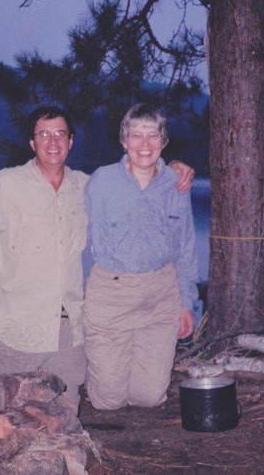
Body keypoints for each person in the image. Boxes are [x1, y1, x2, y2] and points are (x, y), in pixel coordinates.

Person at [0, 105, 194, 409]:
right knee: (3, 411)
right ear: (32, 143)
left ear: (71, 141)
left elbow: (178, 238)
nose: (52, 142)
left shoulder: (85, 185)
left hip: (66, 325)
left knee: (66, 412)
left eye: (60, 134)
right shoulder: (9, 183)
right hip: (15, 322)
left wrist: (176, 166)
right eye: (43, 135)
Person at [83, 103, 199, 410]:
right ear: (124, 140)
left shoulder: (177, 184)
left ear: (163, 141)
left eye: (152, 136)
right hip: (111, 293)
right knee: (108, 402)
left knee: (148, 398)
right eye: (136, 135)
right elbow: (82, 240)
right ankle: (103, 369)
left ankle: (133, 369)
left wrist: (187, 303)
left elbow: (186, 246)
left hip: (161, 294)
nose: (144, 145)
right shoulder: (102, 182)